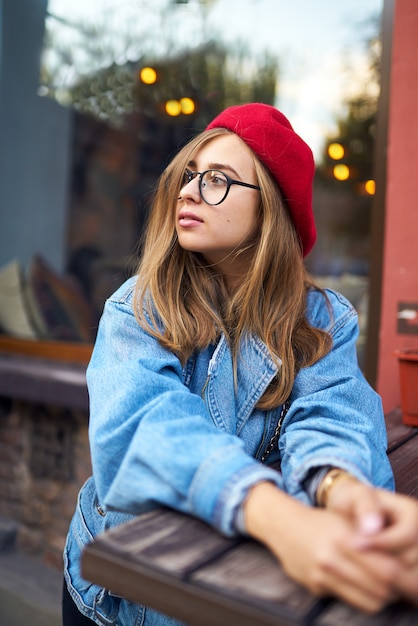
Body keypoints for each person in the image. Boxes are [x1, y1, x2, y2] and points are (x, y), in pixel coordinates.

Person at [62, 103, 418, 625]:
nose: (187, 191)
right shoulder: (138, 304)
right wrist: (280, 520)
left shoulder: (321, 317)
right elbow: (143, 430)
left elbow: (331, 413)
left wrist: (343, 493)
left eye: (217, 180)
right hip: (120, 597)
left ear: (270, 207)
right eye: (189, 176)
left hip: (231, 584)